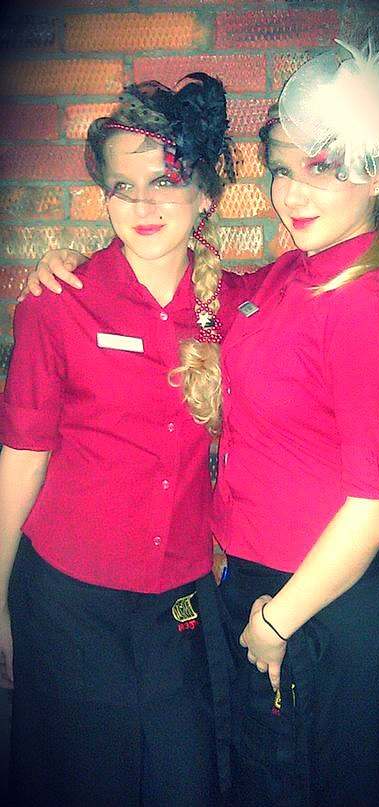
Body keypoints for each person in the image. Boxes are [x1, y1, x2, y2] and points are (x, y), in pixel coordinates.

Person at [20, 40, 379, 807]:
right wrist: (66, 276)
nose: (292, 192)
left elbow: (376, 502)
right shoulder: (281, 278)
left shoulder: (366, 304)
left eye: (322, 167)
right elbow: (189, 292)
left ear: (378, 172)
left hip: (319, 607)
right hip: (246, 594)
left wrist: (278, 619)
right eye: (282, 168)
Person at [0, 73, 248, 806]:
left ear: (205, 193)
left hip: (180, 598)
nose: (142, 206)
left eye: (164, 182)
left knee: (186, 780)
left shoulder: (238, 308)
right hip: (67, 601)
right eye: (122, 187)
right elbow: (20, 459)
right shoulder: (59, 304)